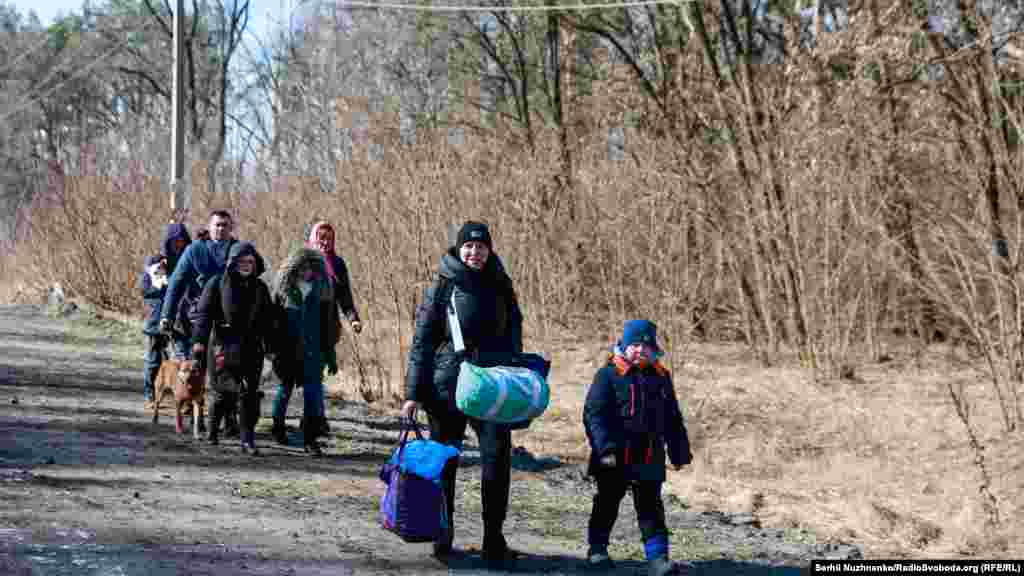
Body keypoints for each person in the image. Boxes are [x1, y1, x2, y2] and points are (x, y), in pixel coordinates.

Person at [401, 220, 524, 568]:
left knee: (497, 461)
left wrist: (515, 370)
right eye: (468, 247)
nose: (475, 252)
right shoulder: (442, 286)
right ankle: (442, 530)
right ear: (458, 249)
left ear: (489, 249)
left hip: (493, 387)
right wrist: (412, 393)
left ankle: (493, 539)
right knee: (445, 461)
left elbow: (515, 330)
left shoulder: (502, 284)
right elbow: (422, 341)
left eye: (481, 247)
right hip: (447, 387)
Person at [582, 320, 692, 576]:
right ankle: (597, 549)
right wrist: (604, 448)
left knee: (651, 506)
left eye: (646, 346)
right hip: (613, 455)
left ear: (655, 349)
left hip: (649, 453)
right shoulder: (608, 375)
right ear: (623, 345)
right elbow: (594, 414)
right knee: (607, 502)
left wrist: (679, 450)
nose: (640, 350)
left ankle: (658, 558)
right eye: (634, 345)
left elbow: (673, 417)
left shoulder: (662, 378)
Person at [270, 221, 362, 443]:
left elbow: (344, 297)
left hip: (318, 336)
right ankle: (278, 425)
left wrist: (352, 319)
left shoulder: (333, 270)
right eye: (320, 236)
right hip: (290, 341)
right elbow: (275, 310)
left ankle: (313, 429)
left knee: (314, 384)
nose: (325, 240)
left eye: (329, 236)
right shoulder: (290, 276)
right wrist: (272, 345)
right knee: (286, 385)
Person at [159, 210, 241, 436]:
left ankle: (229, 417)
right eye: (217, 225)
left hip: (229, 320)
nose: (221, 229)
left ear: (231, 228)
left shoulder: (238, 251)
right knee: (198, 370)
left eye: (225, 225)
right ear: (209, 226)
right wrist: (166, 315)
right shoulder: (195, 250)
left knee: (229, 369)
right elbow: (175, 283)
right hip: (198, 319)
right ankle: (199, 417)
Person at [190, 242, 274, 453]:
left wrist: (271, 346)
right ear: (233, 262)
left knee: (249, 393)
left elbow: (268, 320)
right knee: (222, 394)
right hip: (222, 346)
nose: (247, 265)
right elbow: (204, 314)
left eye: (251, 262)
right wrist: (199, 341)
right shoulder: (217, 283)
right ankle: (212, 432)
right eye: (242, 261)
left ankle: (247, 439)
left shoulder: (260, 288)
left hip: (251, 348)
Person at [270, 247, 334, 456]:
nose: (308, 271)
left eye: (312, 268)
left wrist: (330, 354)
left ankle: (310, 439)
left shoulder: (321, 291)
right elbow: (273, 324)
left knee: (313, 394)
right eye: (303, 267)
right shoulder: (283, 292)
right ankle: (278, 426)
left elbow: (327, 326)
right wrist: (271, 349)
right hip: (287, 351)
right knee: (284, 389)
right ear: (295, 268)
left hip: (313, 351)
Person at [140, 223, 192, 409]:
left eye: (182, 241)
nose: (178, 244)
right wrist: (160, 284)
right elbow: (145, 289)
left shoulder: (189, 261)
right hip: (157, 318)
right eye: (175, 241)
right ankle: (150, 395)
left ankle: (184, 398)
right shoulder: (156, 262)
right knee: (154, 360)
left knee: (183, 359)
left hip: (181, 318)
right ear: (168, 242)